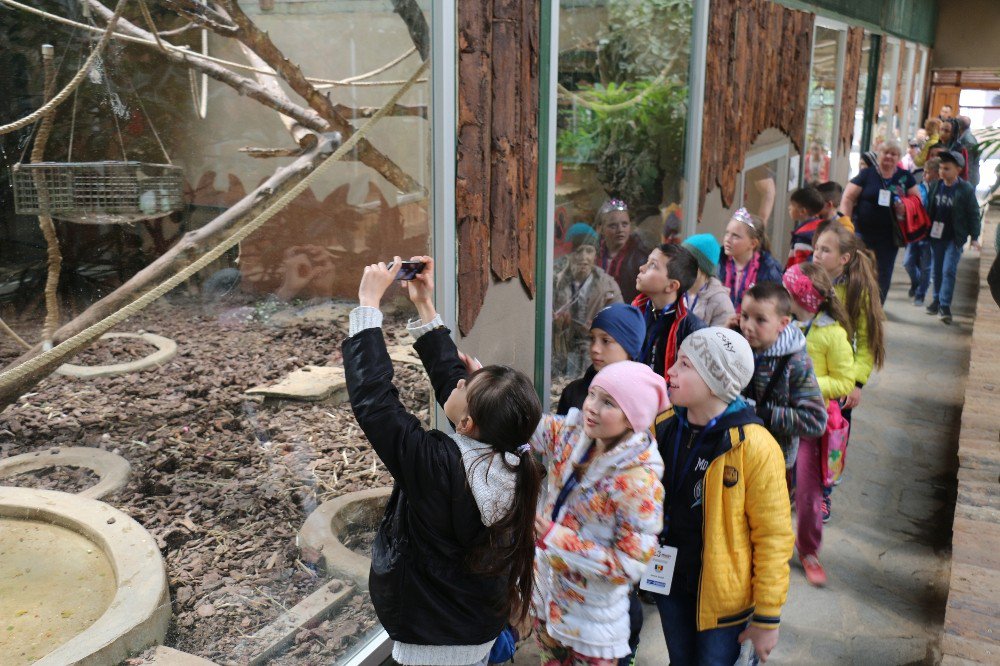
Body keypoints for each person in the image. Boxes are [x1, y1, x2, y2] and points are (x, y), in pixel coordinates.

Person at [343, 256, 542, 666]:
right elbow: (456, 386)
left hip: (431, 645)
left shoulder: (437, 467)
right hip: (478, 628)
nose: (458, 376)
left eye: (467, 383)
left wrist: (367, 306)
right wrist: (424, 306)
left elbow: (376, 405)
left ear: (468, 423)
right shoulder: (515, 459)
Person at [653, 326, 794, 664]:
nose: (670, 371)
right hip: (670, 583)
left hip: (724, 603)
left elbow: (773, 537)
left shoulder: (756, 447)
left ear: (716, 381)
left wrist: (767, 616)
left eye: (685, 365)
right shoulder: (664, 424)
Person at [531, 361, 667, 666]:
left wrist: (557, 539)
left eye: (608, 402)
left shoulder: (639, 482)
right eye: (592, 394)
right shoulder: (573, 433)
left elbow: (629, 565)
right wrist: (482, 379)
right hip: (548, 607)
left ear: (633, 419)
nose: (591, 406)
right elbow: (519, 421)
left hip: (592, 631)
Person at [782, 263, 854, 585]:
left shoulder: (833, 334)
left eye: (788, 293)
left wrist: (806, 383)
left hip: (812, 426)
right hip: (780, 419)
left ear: (803, 299)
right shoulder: (783, 325)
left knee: (809, 494)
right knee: (774, 484)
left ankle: (809, 549)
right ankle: (770, 541)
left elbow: (844, 382)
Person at [811, 225, 888, 520]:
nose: (817, 254)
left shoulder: (857, 289)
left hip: (839, 383)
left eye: (825, 250)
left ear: (844, 258)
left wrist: (856, 382)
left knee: (832, 439)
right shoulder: (806, 277)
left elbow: (868, 342)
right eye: (816, 247)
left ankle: (824, 494)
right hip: (808, 376)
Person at [739, 282, 827, 472]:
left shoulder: (796, 363)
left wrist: (764, 414)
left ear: (783, 323)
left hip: (772, 461)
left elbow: (815, 420)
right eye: (744, 316)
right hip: (735, 450)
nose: (747, 326)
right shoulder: (738, 343)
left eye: (760, 320)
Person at [841, 140, 921, 303]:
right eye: (886, 152)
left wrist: (905, 207)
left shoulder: (904, 177)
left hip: (889, 237)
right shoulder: (867, 174)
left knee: (883, 273)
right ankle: (856, 303)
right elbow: (848, 197)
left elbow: (917, 201)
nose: (889, 157)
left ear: (898, 157)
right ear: (879, 154)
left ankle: (877, 307)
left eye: (893, 154)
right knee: (858, 269)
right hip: (862, 234)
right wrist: (846, 224)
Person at [553, 224, 624, 376]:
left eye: (589, 251)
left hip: (597, 362)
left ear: (595, 255)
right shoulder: (555, 283)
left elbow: (619, 327)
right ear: (569, 254)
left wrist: (599, 328)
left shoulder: (608, 287)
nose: (584, 257)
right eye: (578, 251)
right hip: (560, 360)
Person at [925, 150, 983, 324]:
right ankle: (936, 299)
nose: (943, 172)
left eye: (947, 169)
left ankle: (945, 305)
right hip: (936, 236)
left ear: (958, 170)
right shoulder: (936, 186)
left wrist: (974, 236)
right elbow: (929, 209)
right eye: (941, 168)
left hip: (954, 237)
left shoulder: (965, 189)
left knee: (948, 270)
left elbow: (973, 213)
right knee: (937, 270)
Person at [633, 244, 707, 378]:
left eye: (652, 265)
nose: (642, 268)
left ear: (672, 286)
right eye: (647, 262)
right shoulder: (636, 311)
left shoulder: (692, 330)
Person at [557, 303, 645, 414]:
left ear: (629, 348)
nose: (594, 348)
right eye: (592, 339)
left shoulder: (643, 399)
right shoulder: (573, 393)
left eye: (605, 341)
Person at [719, 208, 784, 324]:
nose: (727, 239)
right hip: (721, 328)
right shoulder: (717, 263)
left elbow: (775, 308)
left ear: (753, 243)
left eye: (735, 236)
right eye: (727, 233)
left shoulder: (769, 270)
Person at [597, 199, 650, 305]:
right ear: (601, 229)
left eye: (625, 224)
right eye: (613, 225)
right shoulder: (594, 255)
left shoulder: (641, 259)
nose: (620, 230)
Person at [903, 157, 940, 306]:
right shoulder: (919, 188)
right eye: (924, 172)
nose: (924, 175)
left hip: (930, 234)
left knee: (926, 266)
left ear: (936, 174)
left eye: (927, 172)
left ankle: (920, 294)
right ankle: (917, 282)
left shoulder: (940, 189)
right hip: (916, 231)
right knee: (908, 263)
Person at [681, 234, 736, 327]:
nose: (680, 265)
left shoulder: (721, 302)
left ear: (703, 268)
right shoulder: (675, 291)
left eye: (687, 262)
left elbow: (718, 339)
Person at [786, 187, 827, 268]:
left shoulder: (803, 236)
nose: (789, 207)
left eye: (792, 205)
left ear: (802, 211)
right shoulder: (821, 226)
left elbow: (801, 265)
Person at [957, 116, 981, 188]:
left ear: (959, 126)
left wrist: (965, 182)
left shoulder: (968, 141)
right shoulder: (964, 137)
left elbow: (968, 164)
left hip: (969, 180)